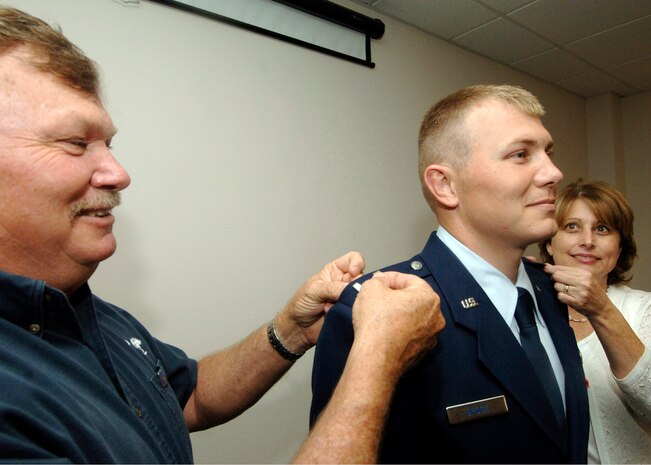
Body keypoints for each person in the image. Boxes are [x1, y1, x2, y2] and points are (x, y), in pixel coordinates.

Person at [0, 6, 446, 463]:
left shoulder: (85, 311)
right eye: (76, 143)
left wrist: (291, 329)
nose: (118, 173)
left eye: (108, 145)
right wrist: (377, 358)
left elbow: (190, 396)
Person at [310, 84, 590, 463]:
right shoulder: (371, 311)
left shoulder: (551, 290)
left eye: (549, 153)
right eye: (521, 154)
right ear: (445, 185)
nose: (554, 173)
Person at [539, 180, 651, 463]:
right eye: (572, 227)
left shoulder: (643, 309)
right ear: (550, 243)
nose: (587, 240)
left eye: (602, 229)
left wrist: (601, 309)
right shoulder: (527, 312)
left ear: (620, 246)